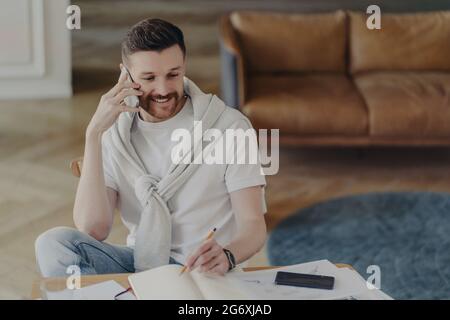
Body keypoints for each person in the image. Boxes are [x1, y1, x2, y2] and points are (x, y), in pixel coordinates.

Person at [35, 18, 267, 278]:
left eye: (173, 74)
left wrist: (227, 255)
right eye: (149, 77)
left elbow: (253, 226)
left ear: (184, 67)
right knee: (52, 244)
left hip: (203, 269)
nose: (163, 89)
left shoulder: (229, 126)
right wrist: (94, 134)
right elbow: (93, 228)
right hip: (141, 263)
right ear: (126, 74)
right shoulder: (115, 134)